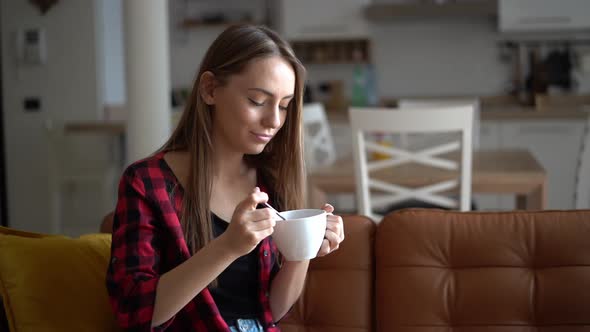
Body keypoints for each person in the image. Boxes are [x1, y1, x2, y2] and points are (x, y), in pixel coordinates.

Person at [106, 24, 345, 332]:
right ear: (209, 90)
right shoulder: (147, 183)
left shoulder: (269, 181)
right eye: (258, 100)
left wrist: (302, 250)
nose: (274, 121)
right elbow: (134, 313)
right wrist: (228, 247)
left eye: (284, 106)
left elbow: (269, 312)